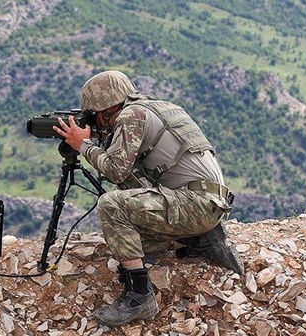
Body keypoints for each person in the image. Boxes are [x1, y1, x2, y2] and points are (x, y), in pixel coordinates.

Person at [52, 70, 243, 327]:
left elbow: (115, 169)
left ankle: (139, 294)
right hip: (211, 203)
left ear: (106, 108)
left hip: (195, 206)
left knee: (111, 205)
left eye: (94, 115)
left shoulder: (131, 115)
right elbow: (129, 174)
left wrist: (82, 145)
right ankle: (203, 238)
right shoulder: (159, 107)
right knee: (130, 197)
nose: (95, 121)